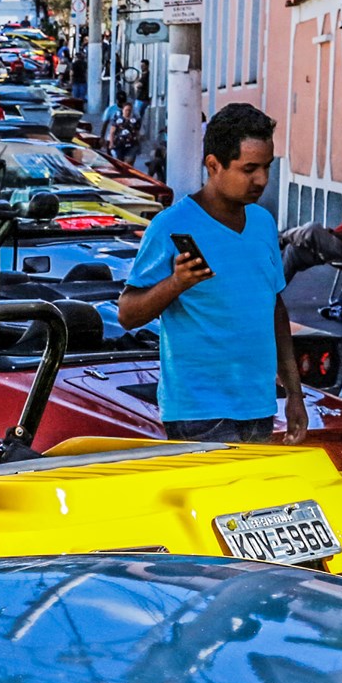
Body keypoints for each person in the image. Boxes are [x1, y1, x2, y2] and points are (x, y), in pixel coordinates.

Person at [117, 103, 307, 445]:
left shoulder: (263, 223)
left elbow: (275, 310)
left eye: (267, 167)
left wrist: (295, 394)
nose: (262, 179)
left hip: (259, 406)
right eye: (249, 169)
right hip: (197, 413)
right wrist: (176, 283)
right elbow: (128, 314)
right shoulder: (170, 226)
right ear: (213, 165)